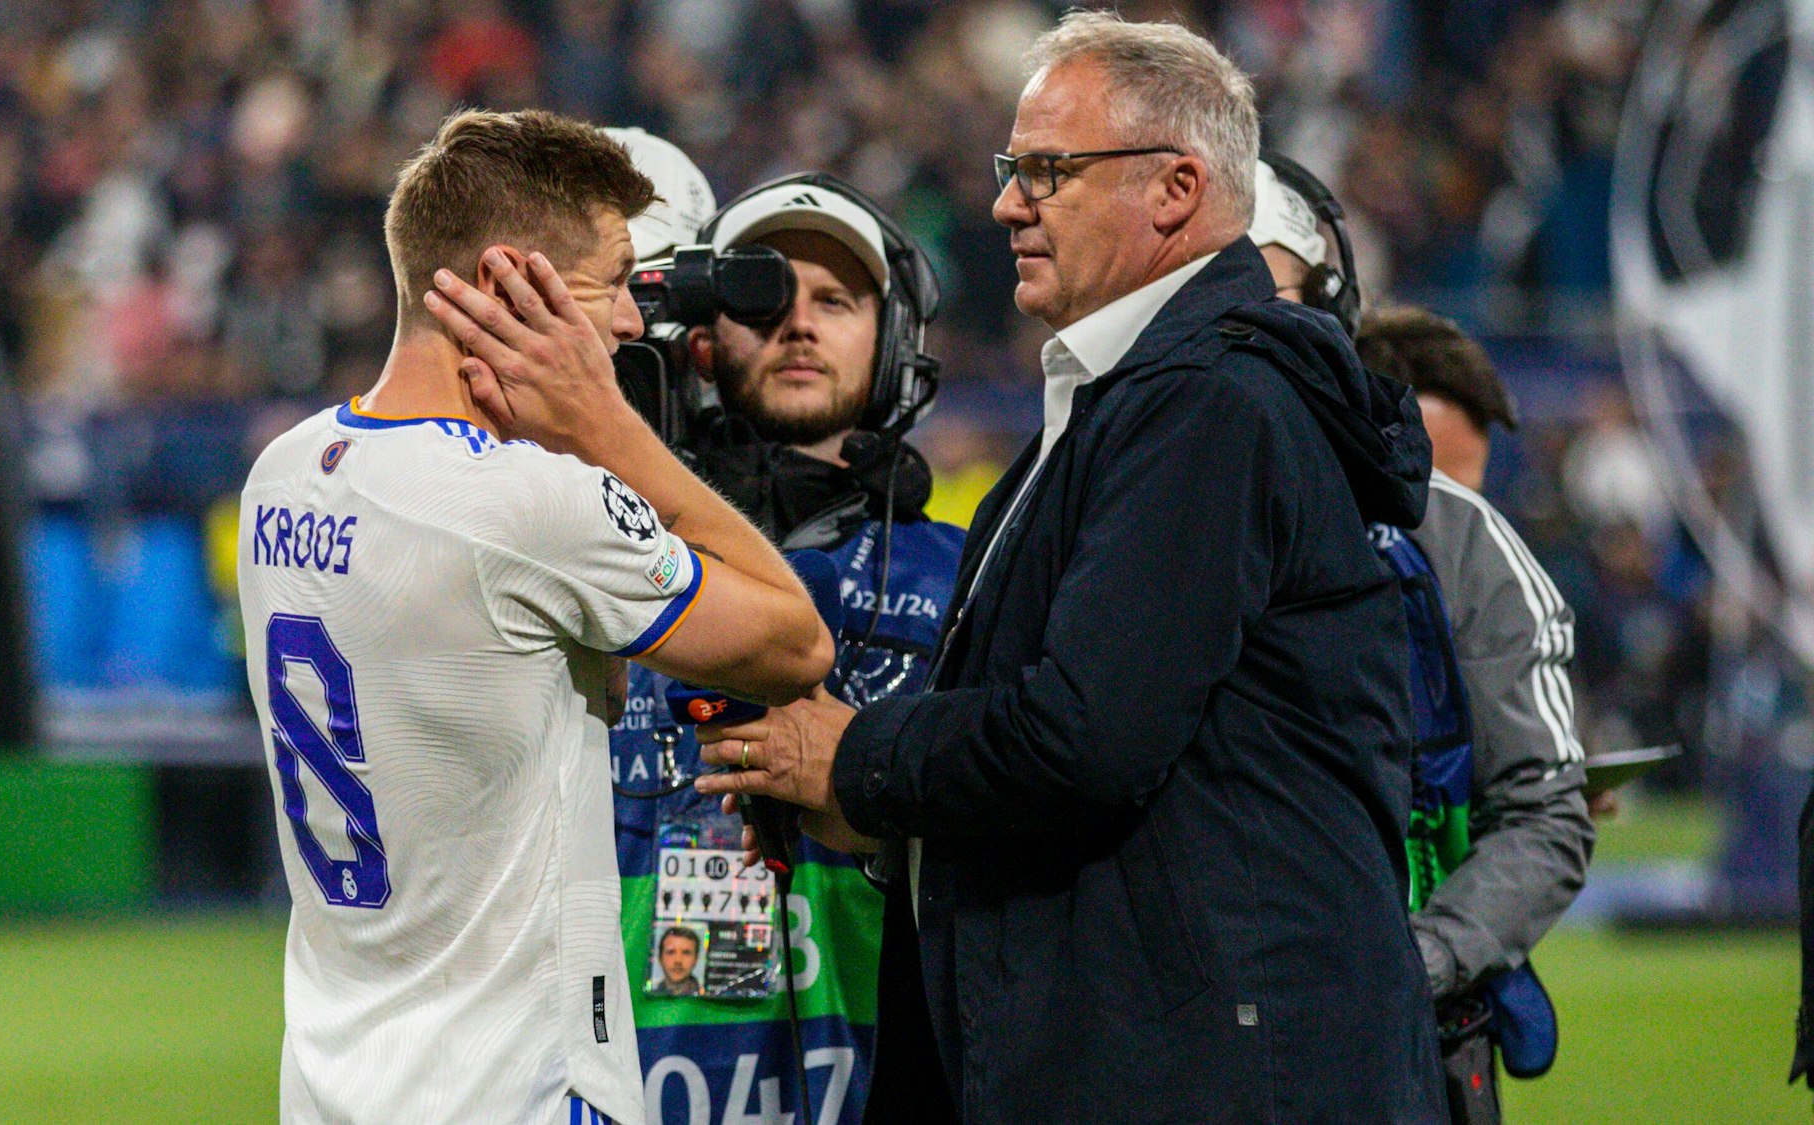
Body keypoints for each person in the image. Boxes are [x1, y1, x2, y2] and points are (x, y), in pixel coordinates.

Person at [689, 14, 1446, 1122]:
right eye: (1010, 170)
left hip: (1209, 1073)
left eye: (1045, 170)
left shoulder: (1206, 403)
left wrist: (855, 760)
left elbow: (1081, 736)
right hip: (1189, 1046)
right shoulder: (1142, 398)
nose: (1004, 203)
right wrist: (884, 808)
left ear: (1174, 190)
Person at [237, 108, 831, 1125]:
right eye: (606, 284)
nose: (629, 325)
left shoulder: (281, 476)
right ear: (511, 284)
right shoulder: (525, 506)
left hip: (331, 1086)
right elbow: (791, 642)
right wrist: (610, 432)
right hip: (516, 1094)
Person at [609, 171, 966, 1124]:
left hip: (897, 1078)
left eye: (837, 300)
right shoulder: (604, 557)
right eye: (761, 297)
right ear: (700, 342)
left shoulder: (975, 579)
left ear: (894, 344)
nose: (798, 323)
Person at [1255, 165, 1593, 1119]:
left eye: (1260, 290)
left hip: (1410, 1052)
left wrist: (1414, 962)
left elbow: (1545, 810)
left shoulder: (1462, 542)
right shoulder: (1118, 520)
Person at [655, 927, 703, 997]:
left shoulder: (708, 1003)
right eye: (671, 952)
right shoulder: (648, 1001)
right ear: (660, 958)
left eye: (686, 953)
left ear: (696, 959)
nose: (678, 960)